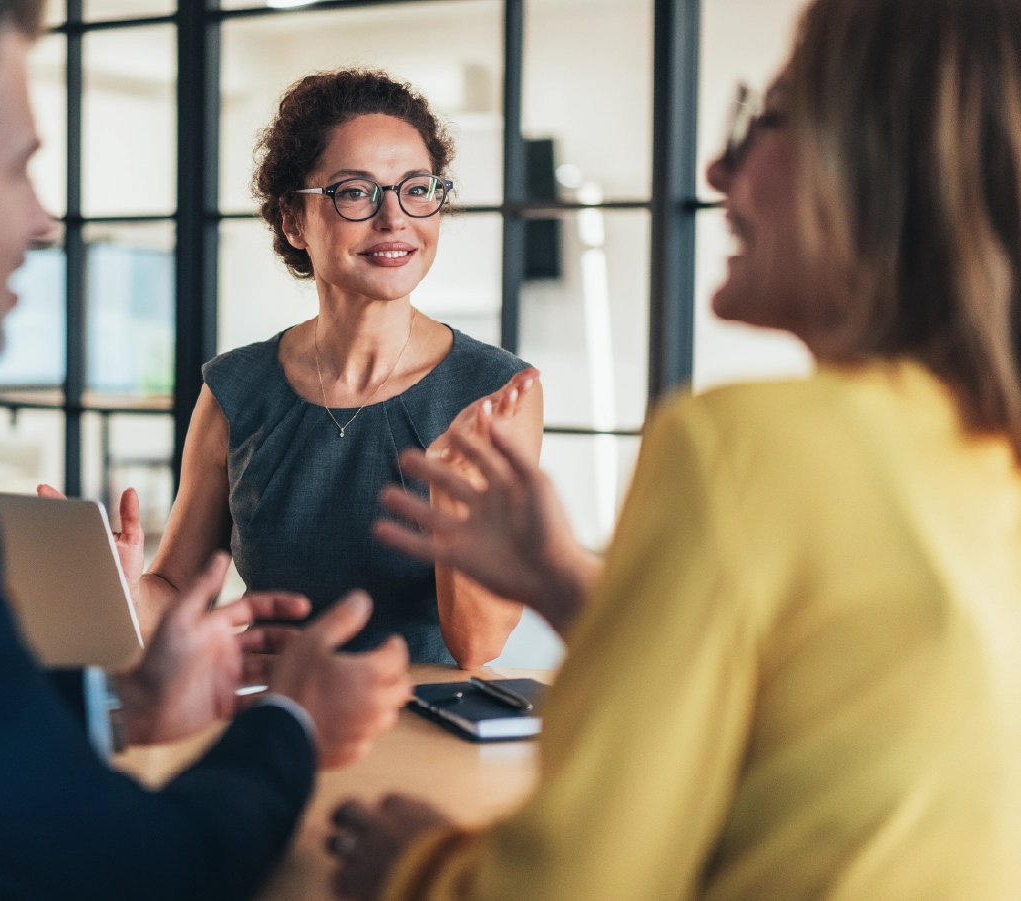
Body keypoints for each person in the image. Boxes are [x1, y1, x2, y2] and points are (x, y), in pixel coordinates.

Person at [325, 0, 1021, 898]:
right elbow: (808, 727)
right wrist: (561, 579)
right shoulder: (986, 454)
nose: (717, 168)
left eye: (765, 119)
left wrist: (417, 868)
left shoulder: (737, 446)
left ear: (877, 159)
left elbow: (574, 887)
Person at [0, 1, 410, 897]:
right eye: (15, 169)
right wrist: (290, 721)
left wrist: (122, 704)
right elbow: (132, 873)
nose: (43, 219)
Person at [130, 69, 544, 669]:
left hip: (415, 717)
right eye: (355, 192)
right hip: (269, 709)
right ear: (293, 221)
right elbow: (176, 592)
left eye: (417, 189)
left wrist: (452, 505)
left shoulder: (493, 392)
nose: (394, 219)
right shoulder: (236, 388)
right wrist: (119, 589)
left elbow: (478, 645)